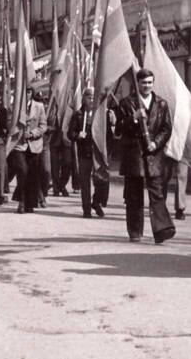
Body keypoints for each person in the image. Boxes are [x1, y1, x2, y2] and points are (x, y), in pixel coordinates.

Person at [112, 69, 175, 243]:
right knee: (134, 196)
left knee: (157, 193)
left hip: (154, 155)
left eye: (149, 82)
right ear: (137, 84)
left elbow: (166, 128)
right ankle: (135, 231)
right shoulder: (126, 103)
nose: (147, 86)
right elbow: (118, 129)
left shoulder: (161, 104)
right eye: (143, 83)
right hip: (134, 155)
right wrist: (133, 117)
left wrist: (156, 143)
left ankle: (162, 230)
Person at [68, 88, 106, 218]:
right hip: (84, 153)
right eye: (89, 97)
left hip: (97, 153)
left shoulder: (101, 114)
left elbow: (109, 134)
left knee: (102, 180)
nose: (91, 100)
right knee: (85, 182)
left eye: (93, 98)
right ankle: (86, 209)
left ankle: (96, 202)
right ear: (84, 98)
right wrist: (78, 135)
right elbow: (70, 134)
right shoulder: (78, 115)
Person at [11, 88, 47, 213]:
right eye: (25, 91)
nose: (27, 94)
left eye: (29, 92)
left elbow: (43, 126)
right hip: (19, 145)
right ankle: (21, 200)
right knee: (22, 171)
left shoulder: (39, 106)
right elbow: (9, 123)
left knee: (32, 174)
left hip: (34, 145)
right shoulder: (14, 106)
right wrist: (19, 130)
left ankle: (30, 203)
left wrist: (32, 133)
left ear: (32, 93)